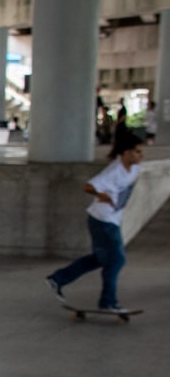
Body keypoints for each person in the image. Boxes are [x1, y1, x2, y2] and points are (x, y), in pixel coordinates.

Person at [45, 129, 145, 313]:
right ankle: (108, 301)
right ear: (126, 152)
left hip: (112, 219)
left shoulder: (135, 169)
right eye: (137, 151)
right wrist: (101, 195)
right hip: (102, 220)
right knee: (116, 260)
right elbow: (88, 186)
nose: (141, 155)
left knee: (100, 259)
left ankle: (58, 279)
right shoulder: (114, 170)